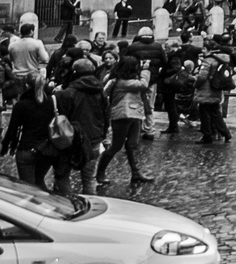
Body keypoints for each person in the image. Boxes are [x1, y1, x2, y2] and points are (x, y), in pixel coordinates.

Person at [97, 56, 153, 187]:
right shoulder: (123, 82)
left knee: (132, 145)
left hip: (134, 115)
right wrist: (146, 70)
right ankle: (100, 173)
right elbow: (143, 85)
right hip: (123, 115)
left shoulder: (124, 80)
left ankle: (136, 173)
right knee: (116, 146)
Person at [52, 58, 106, 193]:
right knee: (89, 178)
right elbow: (106, 115)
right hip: (94, 138)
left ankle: (67, 204)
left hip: (71, 139)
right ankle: (92, 206)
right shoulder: (100, 91)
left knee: (62, 175)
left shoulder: (68, 93)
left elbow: (62, 116)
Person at [2, 80, 56, 188]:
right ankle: (47, 204)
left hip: (26, 150)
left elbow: (12, 130)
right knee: (39, 181)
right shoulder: (51, 101)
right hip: (46, 150)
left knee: (28, 187)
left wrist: (4, 148)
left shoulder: (21, 105)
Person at [193, 42, 235, 145]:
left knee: (204, 114)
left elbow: (202, 77)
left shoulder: (208, 61)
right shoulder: (221, 59)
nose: (202, 51)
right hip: (216, 89)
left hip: (206, 90)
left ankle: (207, 136)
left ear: (208, 49)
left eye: (204, 49)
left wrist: (195, 84)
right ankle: (226, 133)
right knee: (216, 113)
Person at [8, 21, 48, 103]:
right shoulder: (37, 43)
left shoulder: (12, 46)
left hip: (17, 75)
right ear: (31, 32)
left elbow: (11, 59)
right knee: (33, 99)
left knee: (20, 99)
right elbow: (45, 59)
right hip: (32, 75)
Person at [164, 60, 197, 138]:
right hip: (187, 99)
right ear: (191, 68)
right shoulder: (191, 77)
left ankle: (181, 118)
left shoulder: (179, 74)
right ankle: (186, 118)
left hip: (178, 97)